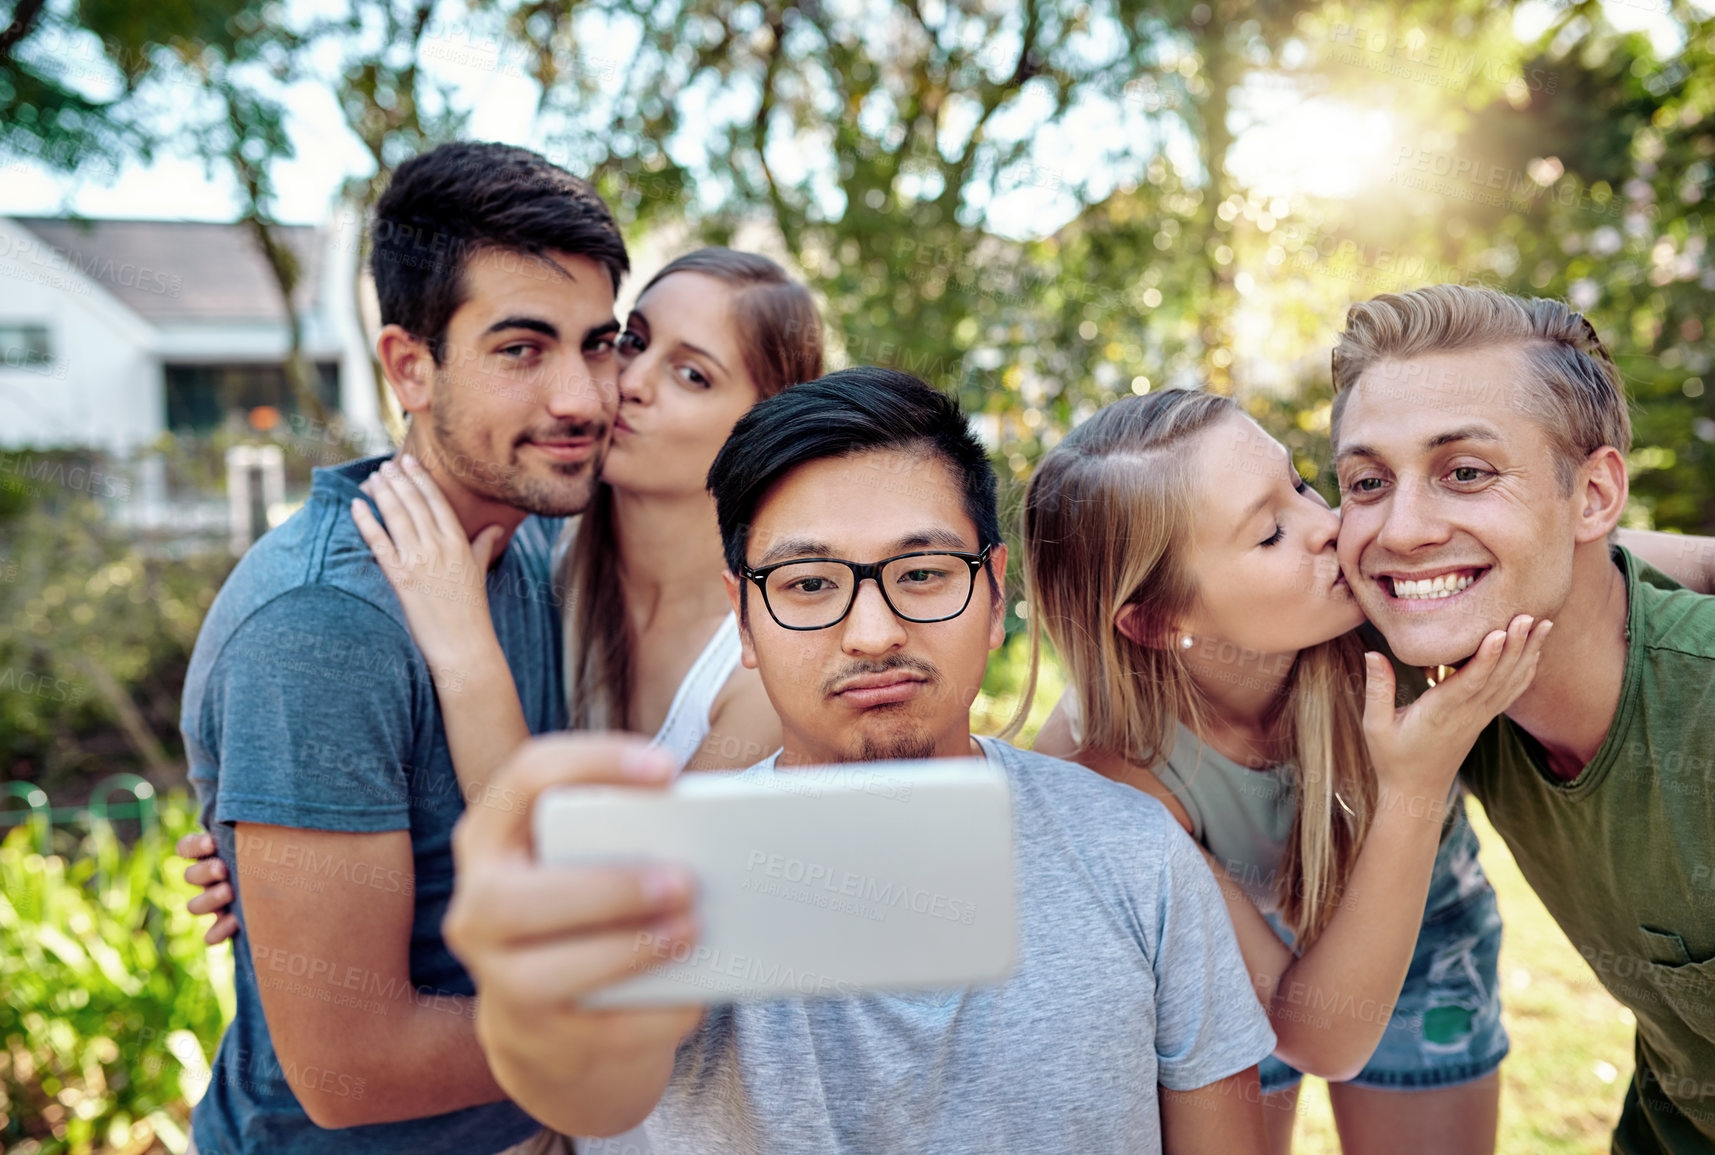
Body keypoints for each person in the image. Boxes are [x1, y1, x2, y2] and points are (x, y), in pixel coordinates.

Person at [441, 368, 1279, 1153]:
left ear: (993, 597)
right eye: (809, 583)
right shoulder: (672, 877)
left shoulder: (1138, 857)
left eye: (921, 572)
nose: (873, 632)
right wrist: (533, 1020)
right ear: (743, 619)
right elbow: (593, 1086)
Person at [177, 140, 626, 1155]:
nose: (582, 398)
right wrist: (645, 1009)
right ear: (409, 367)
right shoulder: (324, 625)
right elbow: (350, 1065)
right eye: (521, 350)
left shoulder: (544, 540)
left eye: (599, 343)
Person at [179, 248, 824, 948]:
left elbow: (593, 922)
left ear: (765, 426)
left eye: (690, 373)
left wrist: (465, 649)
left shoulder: (765, 663)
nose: (628, 383)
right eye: (630, 342)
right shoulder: (542, 551)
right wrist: (285, 868)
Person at [1022, 388, 1549, 1155]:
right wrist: (1413, 785)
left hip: (1425, 929)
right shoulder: (1102, 763)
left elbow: (1583, 557)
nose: (1329, 526)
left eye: (1301, 484)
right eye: (1270, 532)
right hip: (1227, 974)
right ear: (1159, 620)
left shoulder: (1390, 584)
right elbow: (1316, 1036)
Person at [1329, 284, 1715, 1154]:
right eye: (1365, 482)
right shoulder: (1438, 668)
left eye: (1465, 471)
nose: (1404, 528)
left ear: (1592, 495)